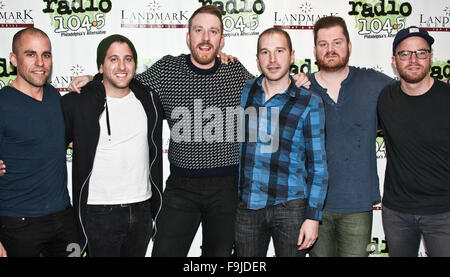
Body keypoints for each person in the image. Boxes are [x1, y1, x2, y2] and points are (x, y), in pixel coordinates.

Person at [68, 5, 309, 257]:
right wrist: (93, 80)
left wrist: (298, 81)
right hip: (181, 188)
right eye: (199, 30)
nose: (205, 38)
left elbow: (270, 89)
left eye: (213, 32)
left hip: (227, 188)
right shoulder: (165, 71)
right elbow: (123, 81)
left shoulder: (235, 73)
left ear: (221, 40)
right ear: (188, 37)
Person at [61, 35, 163, 257]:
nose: (121, 66)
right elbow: (49, 145)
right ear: (101, 65)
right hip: (99, 212)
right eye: (113, 59)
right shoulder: (78, 103)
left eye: (128, 59)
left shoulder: (149, 100)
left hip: (142, 209)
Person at [235, 28, 328, 257]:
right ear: (257, 59)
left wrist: (312, 217)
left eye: (279, 51)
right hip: (248, 206)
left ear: (292, 55)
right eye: (265, 52)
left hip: (290, 208)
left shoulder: (309, 101)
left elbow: (318, 165)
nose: (272, 59)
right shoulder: (246, 90)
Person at [307, 16, 394, 257]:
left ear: (349, 46)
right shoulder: (302, 89)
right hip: (314, 208)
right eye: (323, 44)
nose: (331, 49)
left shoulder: (373, 82)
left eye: (337, 42)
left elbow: (412, 93)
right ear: (314, 50)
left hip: (357, 204)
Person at [0, 27, 79, 257]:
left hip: (63, 217)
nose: (40, 62)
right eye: (30, 54)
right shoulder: (3, 104)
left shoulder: (55, 97)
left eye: (46, 54)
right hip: (18, 224)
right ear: (14, 59)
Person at [377, 27, 450, 257]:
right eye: (405, 54)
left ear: (431, 57)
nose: (413, 60)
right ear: (394, 61)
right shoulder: (384, 98)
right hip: (396, 213)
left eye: (421, 52)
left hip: (443, 213)